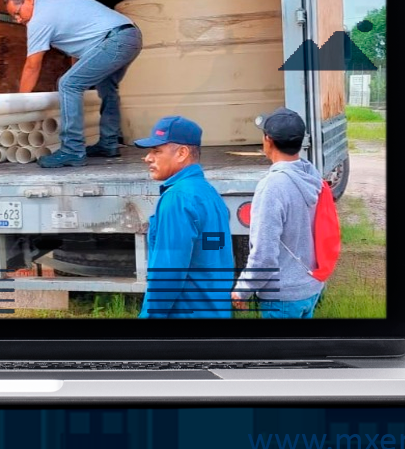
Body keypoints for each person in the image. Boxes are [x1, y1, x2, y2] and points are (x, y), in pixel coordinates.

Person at [5, 0, 142, 168]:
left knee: (68, 84)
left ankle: (72, 150)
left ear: (29, 0)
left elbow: (32, 65)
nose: (18, 19)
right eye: (14, 17)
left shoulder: (39, 18)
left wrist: (20, 103)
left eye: (17, 13)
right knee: (106, 87)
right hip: (130, 36)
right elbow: (80, 48)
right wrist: (77, 75)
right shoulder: (57, 5)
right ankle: (109, 144)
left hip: (115, 40)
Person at [134, 116, 234, 318]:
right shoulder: (208, 194)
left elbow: (168, 272)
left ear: (182, 153)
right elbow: (215, 257)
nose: (148, 158)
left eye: (156, 151)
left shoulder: (177, 199)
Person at [231, 107, 326, 318]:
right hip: (310, 287)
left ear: (268, 140)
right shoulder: (311, 174)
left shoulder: (272, 186)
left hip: (283, 296)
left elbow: (264, 254)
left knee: (280, 351)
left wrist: (243, 290)